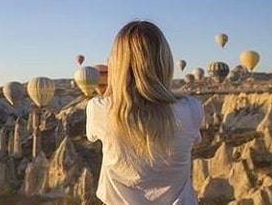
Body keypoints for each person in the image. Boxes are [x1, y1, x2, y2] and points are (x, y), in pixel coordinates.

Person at [86, 21, 204, 205]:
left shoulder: (99, 109)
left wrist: (110, 87)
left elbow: (93, 135)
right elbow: (193, 140)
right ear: (164, 61)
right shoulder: (191, 109)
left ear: (117, 64)